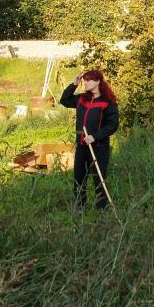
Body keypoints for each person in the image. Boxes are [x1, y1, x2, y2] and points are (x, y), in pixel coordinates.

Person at [59, 69, 119, 210]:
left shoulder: (108, 102)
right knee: (79, 179)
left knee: (99, 179)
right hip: (81, 147)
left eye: (89, 80)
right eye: (84, 80)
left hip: (99, 147)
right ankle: (80, 208)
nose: (85, 83)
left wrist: (95, 136)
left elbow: (112, 125)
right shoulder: (81, 99)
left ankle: (102, 209)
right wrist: (74, 84)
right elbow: (64, 100)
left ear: (98, 81)